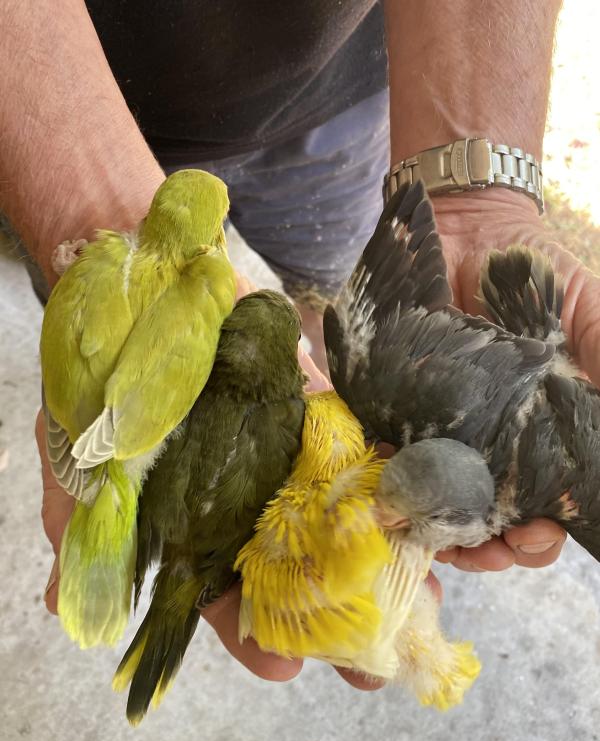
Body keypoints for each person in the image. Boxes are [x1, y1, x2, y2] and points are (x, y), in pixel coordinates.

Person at [2, 0, 589, 689]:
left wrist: (477, 195)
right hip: (49, 100)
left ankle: (319, 325)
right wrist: (81, 200)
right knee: (344, 332)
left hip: (330, 109)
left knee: (331, 297)